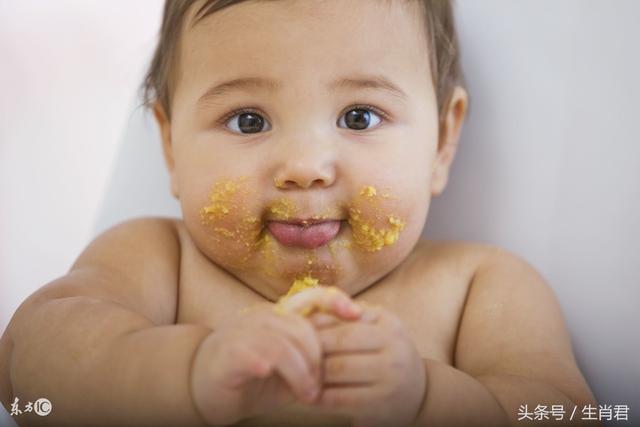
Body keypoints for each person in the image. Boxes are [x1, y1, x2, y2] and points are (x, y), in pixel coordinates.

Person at [0, 0, 598, 425]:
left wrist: (425, 402)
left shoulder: (477, 289)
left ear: (443, 139)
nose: (305, 166)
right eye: (248, 120)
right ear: (170, 145)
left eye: (359, 116)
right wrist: (189, 375)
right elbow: (24, 375)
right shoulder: (159, 262)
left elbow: (567, 412)